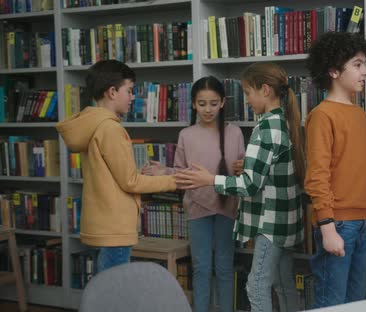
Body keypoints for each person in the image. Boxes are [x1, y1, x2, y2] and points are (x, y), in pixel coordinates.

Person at [174, 62, 305, 312]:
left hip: (270, 225)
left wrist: (209, 179)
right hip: (284, 222)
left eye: (247, 92)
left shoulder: (265, 127)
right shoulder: (283, 122)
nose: (246, 100)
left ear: (264, 90)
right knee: (283, 283)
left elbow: (248, 184)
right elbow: (274, 170)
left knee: (255, 286)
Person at [56, 60, 177, 273]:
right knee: (113, 295)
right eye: (129, 91)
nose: (133, 98)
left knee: (103, 290)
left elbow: (112, 177)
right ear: (112, 92)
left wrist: (139, 174)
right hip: (115, 228)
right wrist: (174, 180)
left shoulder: (92, 125)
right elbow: (130, 182)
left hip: (100, 225)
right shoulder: (110, 129)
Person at [142, 76, 245, 312]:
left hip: (227, 208)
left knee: (224, 267)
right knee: (201, 267)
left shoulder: (235, 133)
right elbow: (181, 173)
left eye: (212, 103)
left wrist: (244, 166)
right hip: (197, 208)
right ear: (193, 104)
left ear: (222, 103)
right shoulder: (186, 135)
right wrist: (164, 171)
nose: (207, 109)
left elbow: (241, 172)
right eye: (202, 104)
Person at [304, 31, 366, 308]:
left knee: (355, 303)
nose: (365, 71)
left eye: (364, 64)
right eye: (358, 64)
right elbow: (317, 175)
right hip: (337, 223)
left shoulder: (359, 114)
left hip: (363, 223)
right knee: (332, 303)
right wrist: (327, 227)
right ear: (334, 71)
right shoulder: (322, 115)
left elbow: (364, 168)